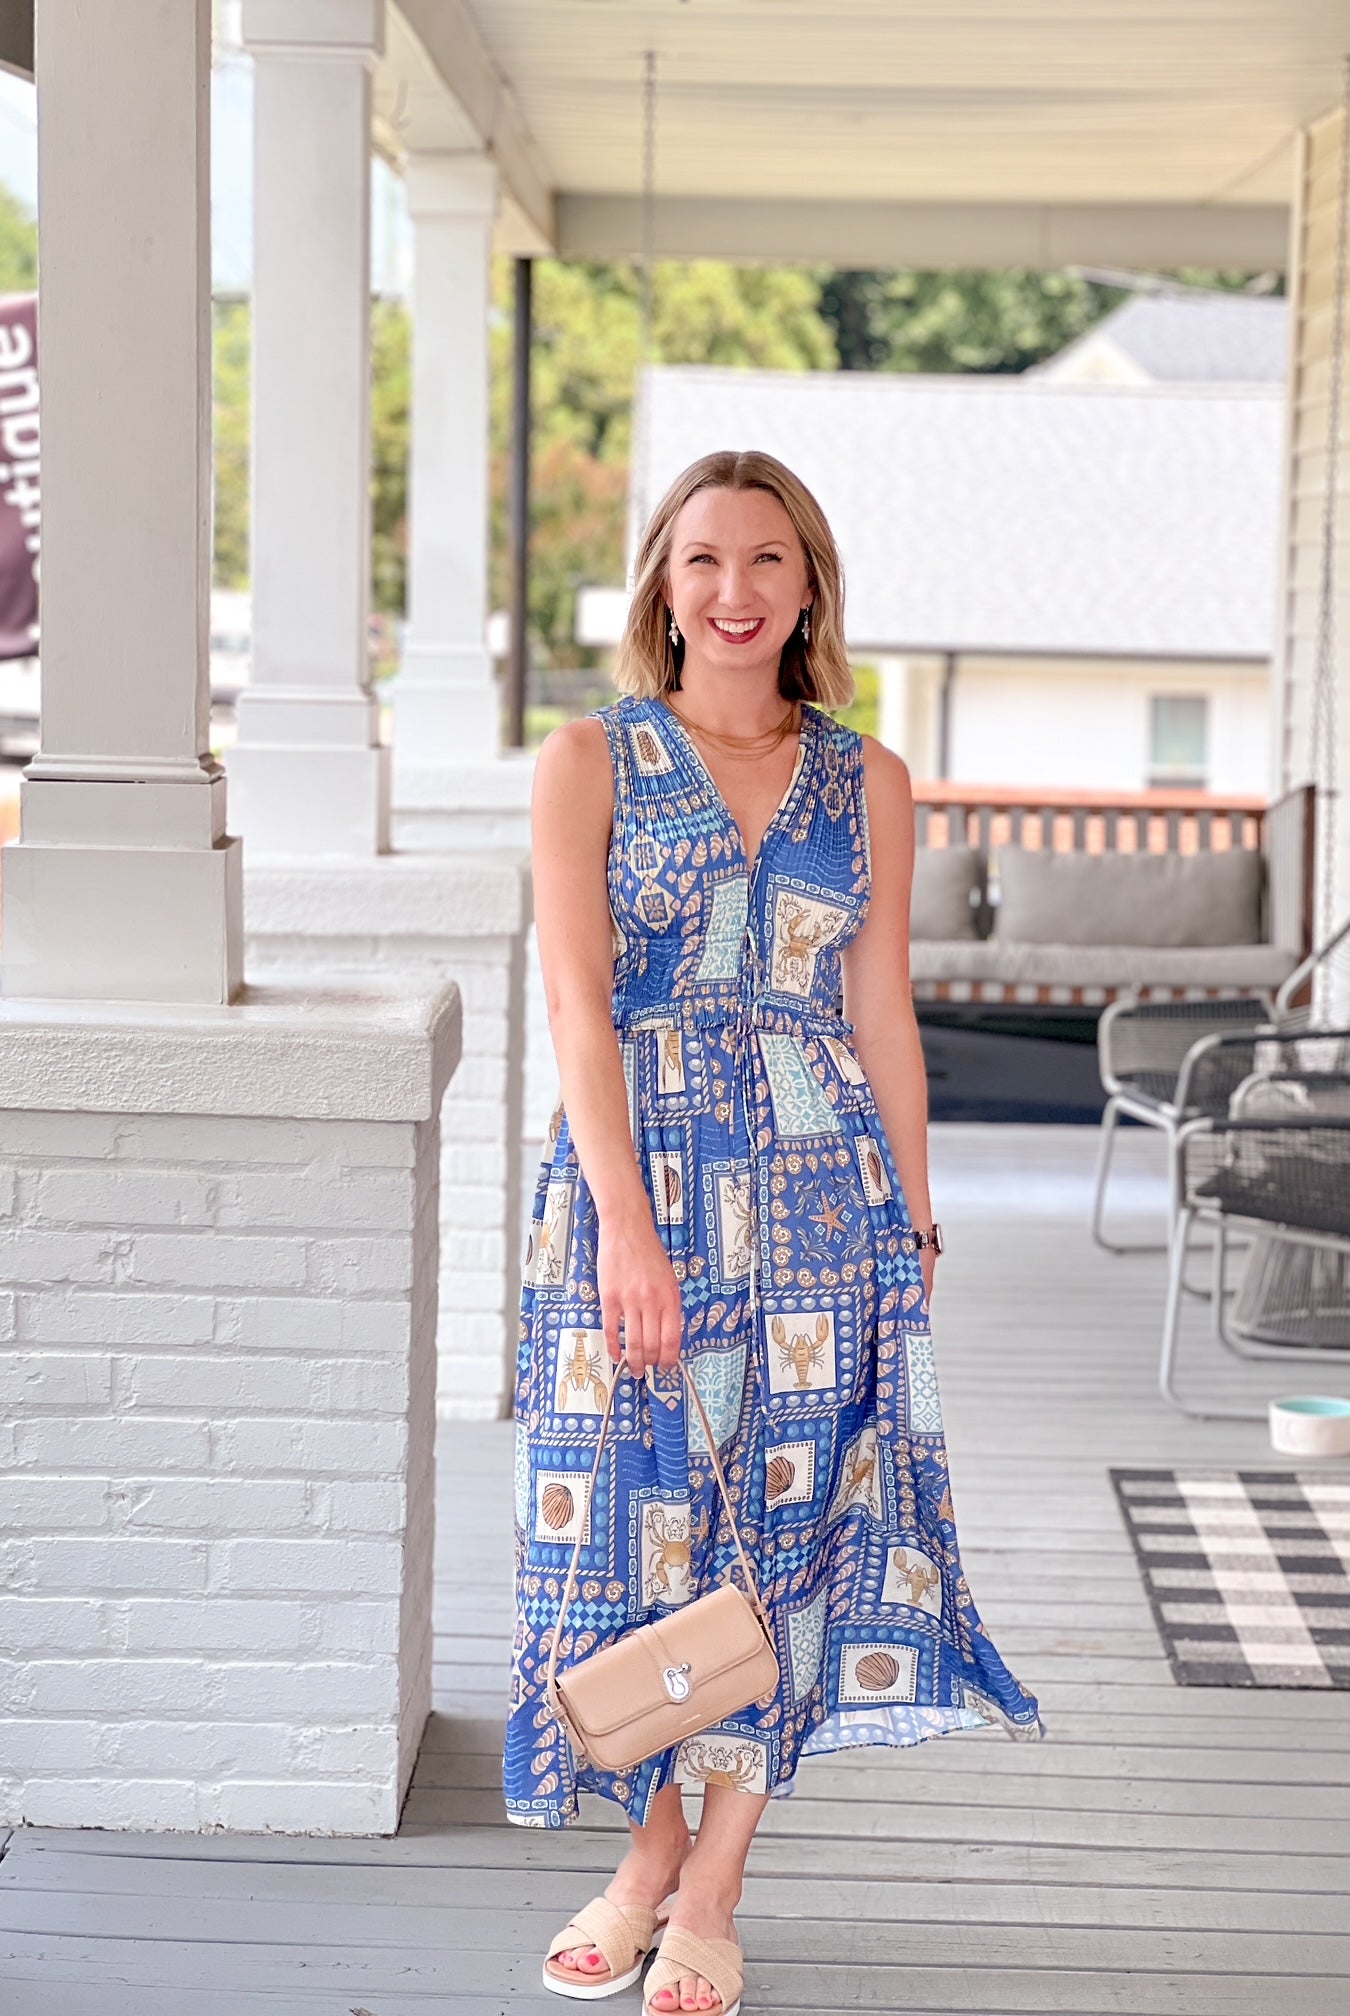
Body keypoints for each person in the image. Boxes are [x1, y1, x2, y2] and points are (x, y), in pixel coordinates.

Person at [505, 449, 1044, 2015]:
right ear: (660, 590)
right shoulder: (588, 757)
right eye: (700, 562)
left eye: (764, 561)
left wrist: (916, 1223)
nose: (731, 592)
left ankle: (714, 1889)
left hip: (824, 1200)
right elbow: (576, 1007)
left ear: (807, 586)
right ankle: (641, 1857)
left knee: (791, 1531)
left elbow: (881, 1011)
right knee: (620, 1527)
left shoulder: (865, 776)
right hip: (640, 1183)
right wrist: (622, 1225)